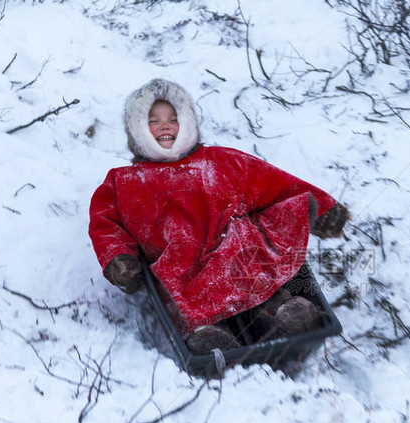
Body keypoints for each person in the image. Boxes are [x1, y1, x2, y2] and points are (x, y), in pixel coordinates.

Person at [89, 79, 349, 354]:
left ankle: (280, 313)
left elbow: (271, 182)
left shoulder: (219, 160)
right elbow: (106, 223)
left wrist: (322, 208)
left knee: (256, 269)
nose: (164, 126)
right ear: (137, 130)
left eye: (173, 119)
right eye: (153, 121)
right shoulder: (123, 182)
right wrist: (120, 259)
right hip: (183, 265)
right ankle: (210, 337)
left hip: (237, 250)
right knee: (185, 296)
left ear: (187, 122)